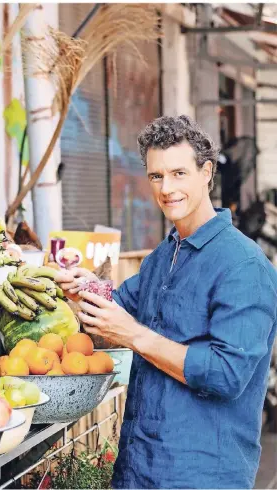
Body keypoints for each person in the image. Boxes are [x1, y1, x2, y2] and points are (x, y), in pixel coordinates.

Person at [55, 115, 277, 489]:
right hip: (139, 468)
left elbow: (226, 374)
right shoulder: (164, 256)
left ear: (206, 173)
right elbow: (116, 313)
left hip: (202, 475)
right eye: (157, 176)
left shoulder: (244, 266)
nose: (167, 188)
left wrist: (134, 336)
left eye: (178, 173)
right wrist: (85, 289)